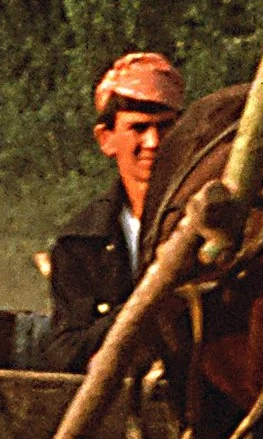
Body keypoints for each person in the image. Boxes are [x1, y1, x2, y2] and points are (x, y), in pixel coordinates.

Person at [37, 52, 186, 373]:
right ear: (107, 140)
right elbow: (62, 350)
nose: (154, 142)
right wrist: (141, 313)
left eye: (166, 127)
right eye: (138, 128)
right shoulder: (81, 243)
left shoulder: (213, 222)